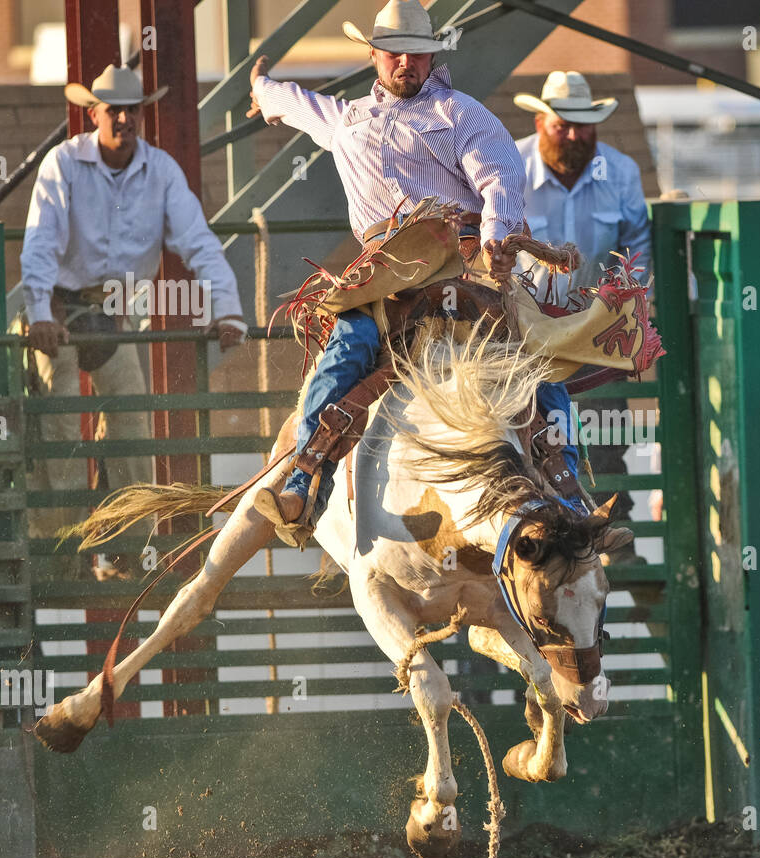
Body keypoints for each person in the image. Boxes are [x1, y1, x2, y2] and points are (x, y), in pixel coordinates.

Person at [245, 0, 590, 543]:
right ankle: (305, 481)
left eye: (417, 54)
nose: (405, 62)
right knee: (345, 352)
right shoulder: (346, 119)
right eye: (395, 53)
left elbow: (499, 179)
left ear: (431, 59)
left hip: (465, 266)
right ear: (375, 56)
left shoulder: (461, 114)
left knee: (538, 364)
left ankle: (569, 493)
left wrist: (498, 235)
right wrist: (262, 88)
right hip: (385, 272)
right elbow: (294, 102)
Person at [21, 63, 246, 579]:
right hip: (58, 306)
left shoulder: (160, 171)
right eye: (114, 109)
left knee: (131, 423)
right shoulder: (63, 164)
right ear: (94, 112)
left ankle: (127, 552)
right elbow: (40, 244)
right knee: (59, 422)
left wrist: (227, 307)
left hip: (112, 311)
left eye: (132, 109)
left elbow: (198, 243)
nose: (124, 118)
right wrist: (38, 313)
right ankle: (60, 556)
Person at [512, 71, 652, 546]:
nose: (573, 135)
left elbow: (638, 247)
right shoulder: (509, 164)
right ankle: (549, 537)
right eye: (562, 125)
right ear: (540, 121)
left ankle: (611, 529)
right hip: (524, 329)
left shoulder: (622, 172)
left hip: (596, 328)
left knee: (606, 430)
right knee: (528, 432)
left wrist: (622, 310)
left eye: (583, 126)